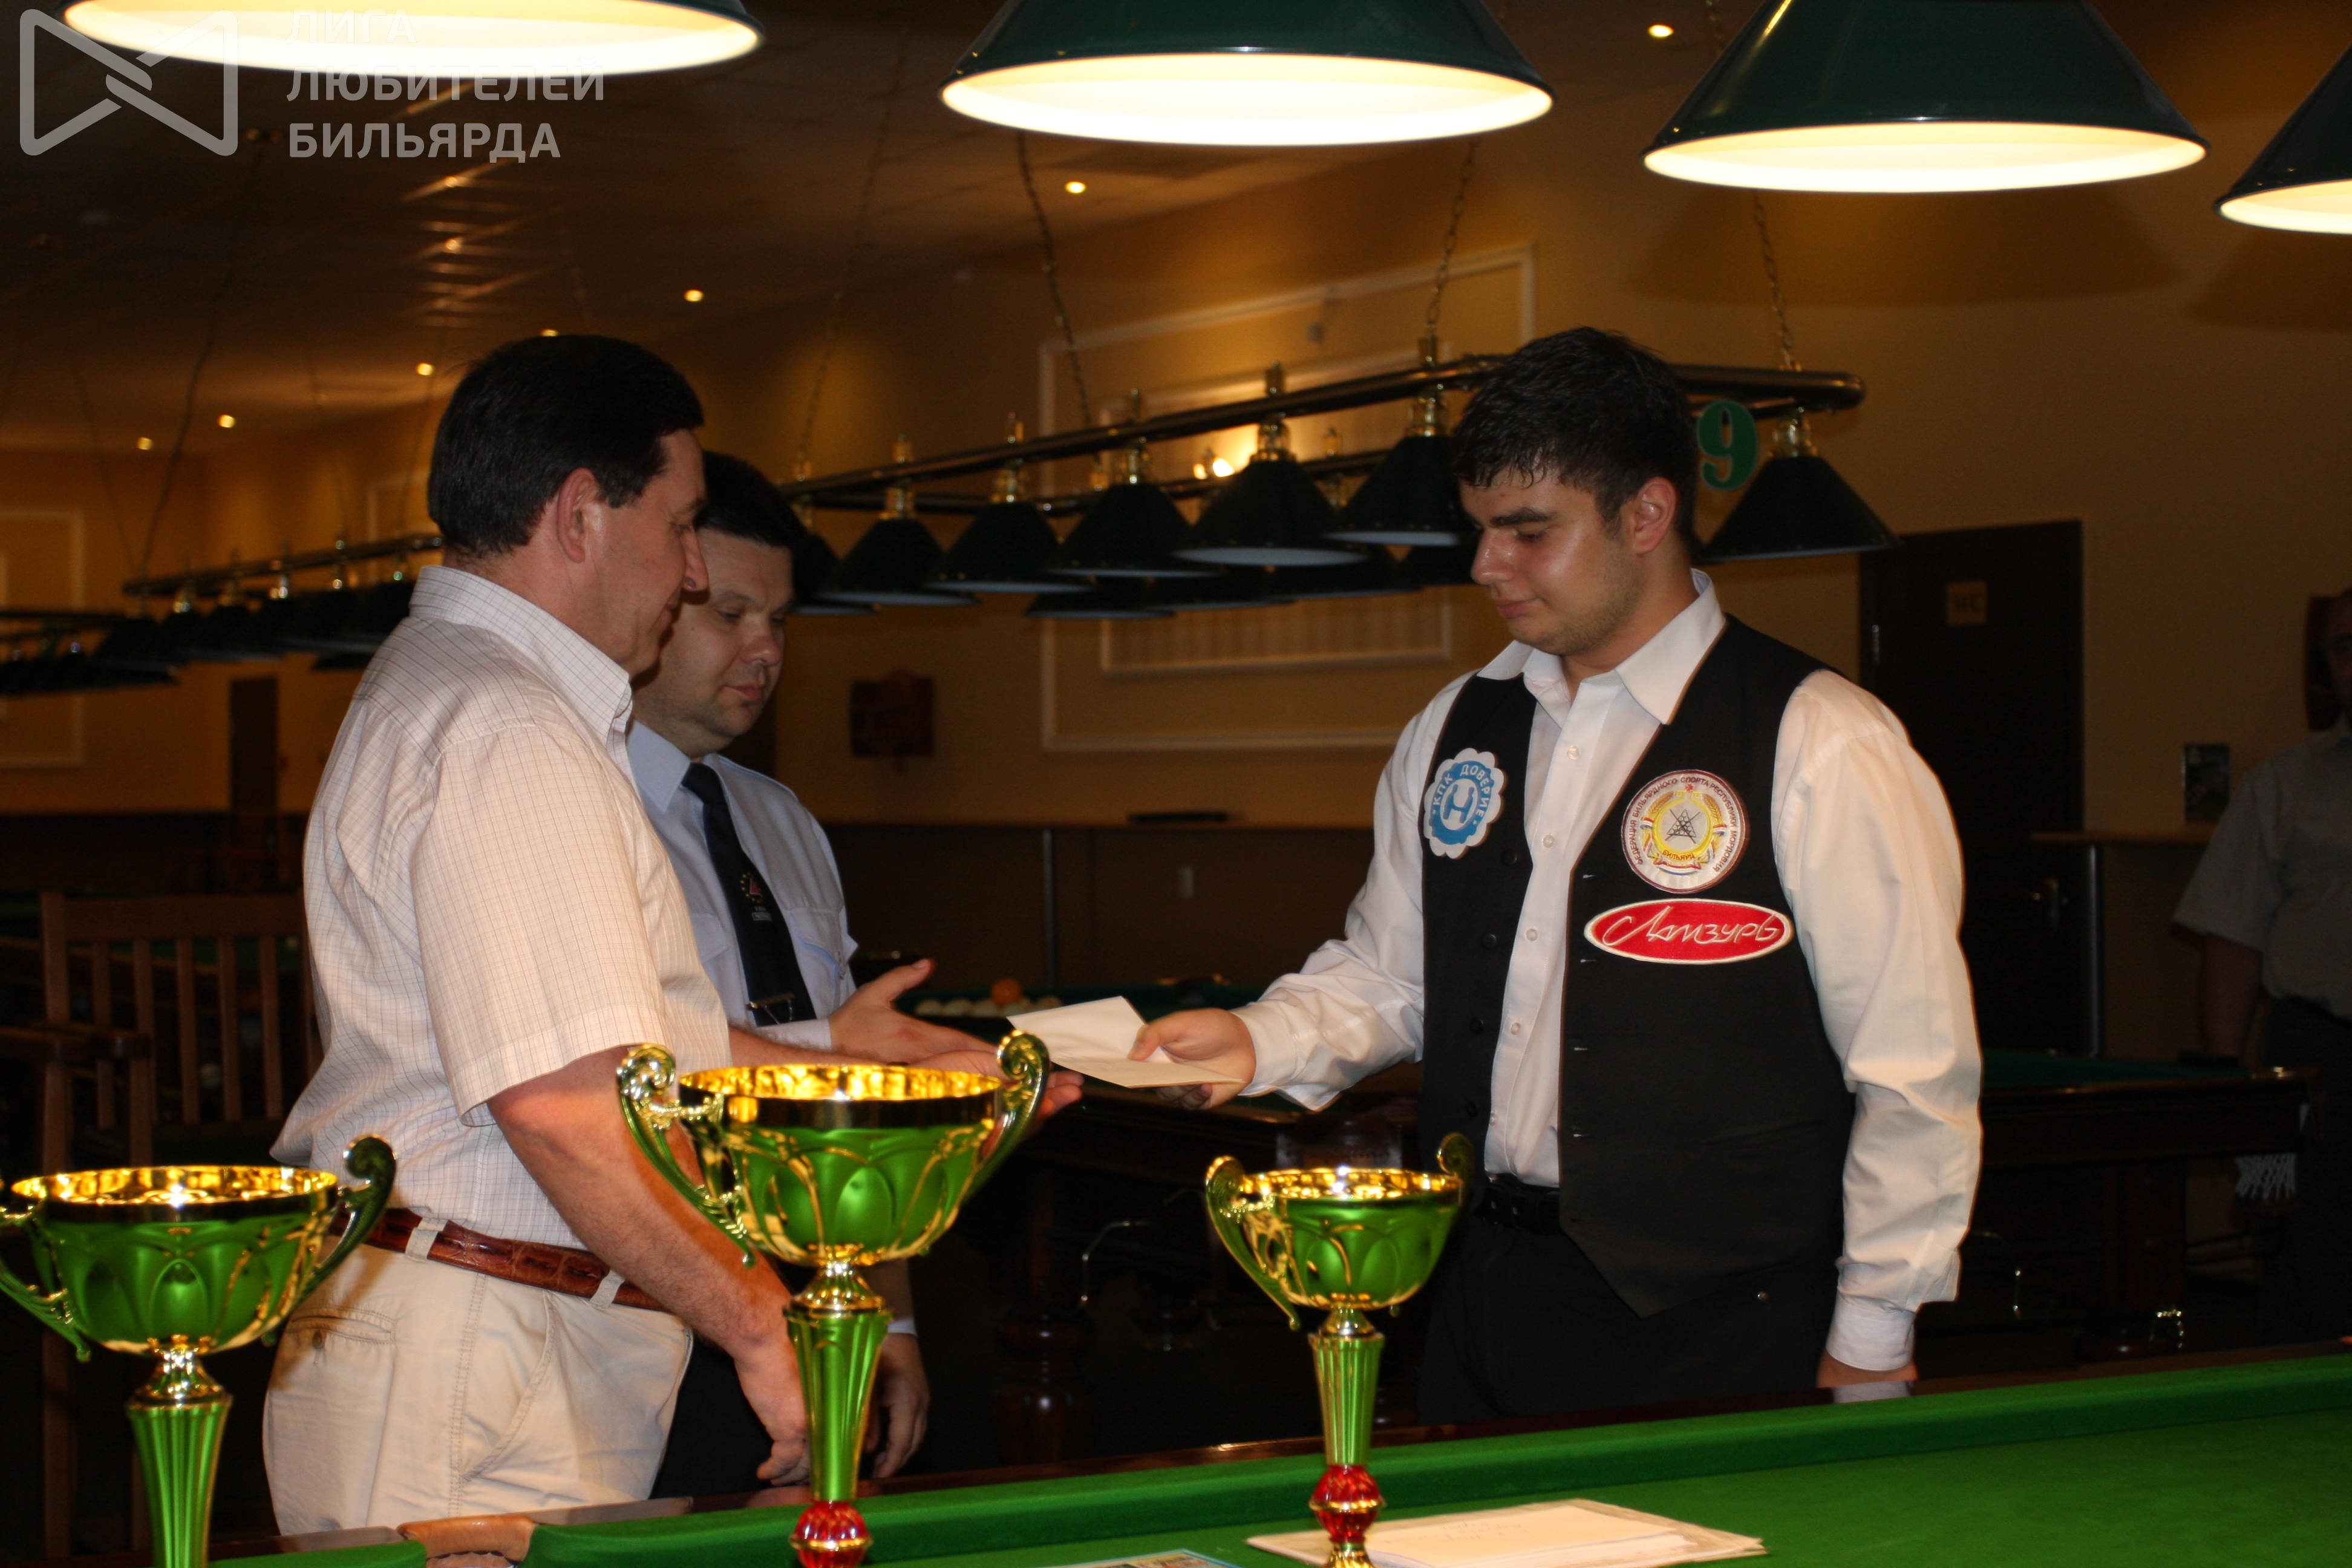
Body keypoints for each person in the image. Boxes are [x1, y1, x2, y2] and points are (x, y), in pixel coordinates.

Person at [263, 336, 1039, 1530]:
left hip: (480, 1343)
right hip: (480, 1354)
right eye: (679, 528)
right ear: (580, 514)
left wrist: (855, 1077)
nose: (687, 569)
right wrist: (760, 1320)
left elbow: (627, 1057)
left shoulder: (467, 685)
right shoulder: (511, 723)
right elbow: (567, 1108)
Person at [1136, 328, 1982, 1420]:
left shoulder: (1823, 738)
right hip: (1476, 1285)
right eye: (1479, 529)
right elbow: (1392, 976)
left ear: (1647, 514)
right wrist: (1257, 1038)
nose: (1486, 565)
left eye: (1528, 531)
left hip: (1720, 1317)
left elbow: (1913, 1072)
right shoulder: (1455, 724)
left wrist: (1873, 1330)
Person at [627, 452, 1015, 1492]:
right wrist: (829, 1049)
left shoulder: (781, 820)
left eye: (781, 620)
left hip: (821, 1287)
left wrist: (893, 1316)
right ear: (655, 599)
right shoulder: (580, 810)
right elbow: (621, 1069)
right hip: (654, 1299)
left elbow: (859, 1114)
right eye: (729, 613)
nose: (764, 649)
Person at [2174, 587, 2352, 1344]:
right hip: (2318, 1060)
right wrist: (2233, 1092)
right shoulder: (2283, 785)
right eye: (2344, 647)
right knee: (2308, 1274)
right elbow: (2232, 938)